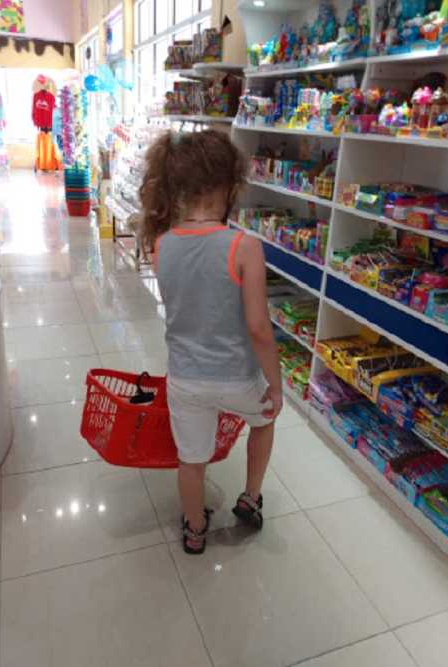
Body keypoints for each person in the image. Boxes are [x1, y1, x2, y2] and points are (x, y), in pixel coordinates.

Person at [140, 130, 283, 555]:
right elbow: (258, 327)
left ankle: (195, 527)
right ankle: (251, 497)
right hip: (236, 377)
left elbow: (184, 307)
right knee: (264, 420)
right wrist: (274, 385)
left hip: (184, 378)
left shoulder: (161, 245)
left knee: (192, 458)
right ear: (230, 184)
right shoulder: (244, 246)